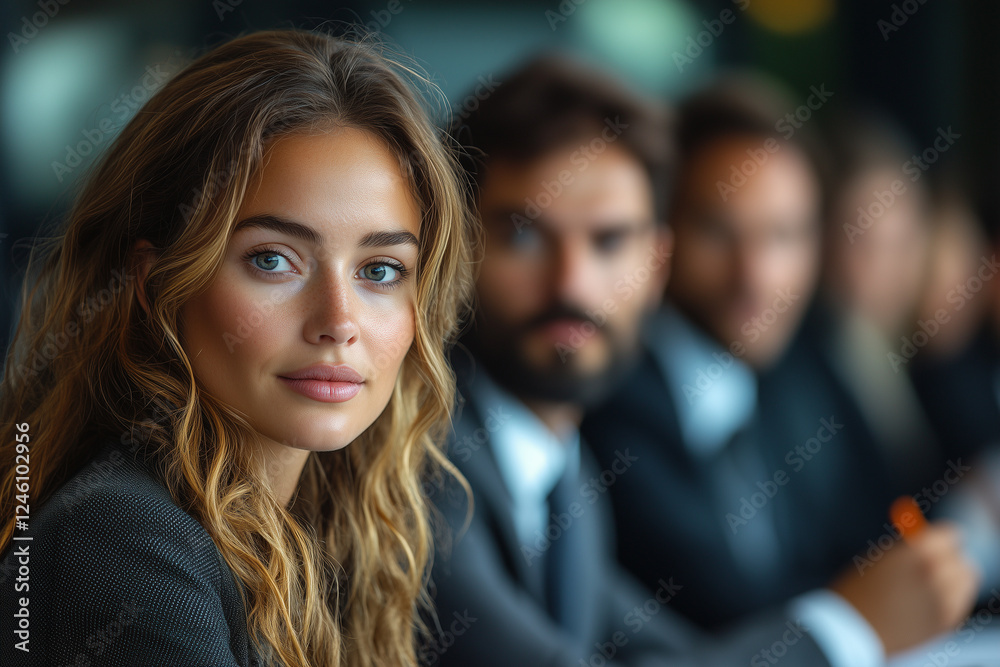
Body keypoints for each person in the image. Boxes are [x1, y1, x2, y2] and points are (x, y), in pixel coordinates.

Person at [0, 29, 476, 667]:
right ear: (155, 284)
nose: (338, 322)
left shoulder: (326, 524)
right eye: (274, 260)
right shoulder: (121, 543)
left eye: (381, 270)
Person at [426, 54, 877, 667]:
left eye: (609, 241)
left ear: (655, 267)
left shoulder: (564, 469)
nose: (572, 284)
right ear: (455, 247)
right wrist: (847, 631)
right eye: (525, 235)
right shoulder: (422, 463)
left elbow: (674, 653)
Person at [580, 74, 980, 662]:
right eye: (718, 231)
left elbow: (860, 537)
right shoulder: (612, 394)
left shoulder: (790, 376)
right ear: (658, 233)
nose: (756, 277)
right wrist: (863, 612)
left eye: (784, 235)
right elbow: (723, 609)